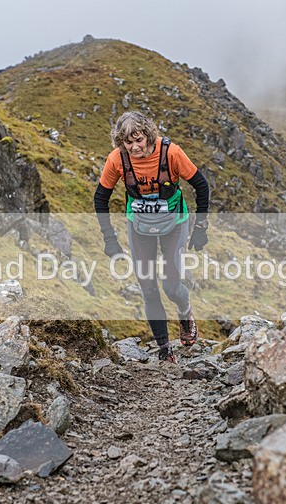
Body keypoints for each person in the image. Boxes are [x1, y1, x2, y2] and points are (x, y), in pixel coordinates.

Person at [94, 111, 210, 363]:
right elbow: (100, 198)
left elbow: (201, 186)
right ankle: (165, 349)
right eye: (128, 142)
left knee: (170, 286)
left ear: (148, 135)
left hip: (175, 226)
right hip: (139, 227)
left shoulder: (171, 153)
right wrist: (109, 239)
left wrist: (200, 228)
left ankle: (185, 311)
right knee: (148, 288)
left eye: (139, 139)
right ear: (120, 142)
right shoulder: (117, 160)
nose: (135, 147)